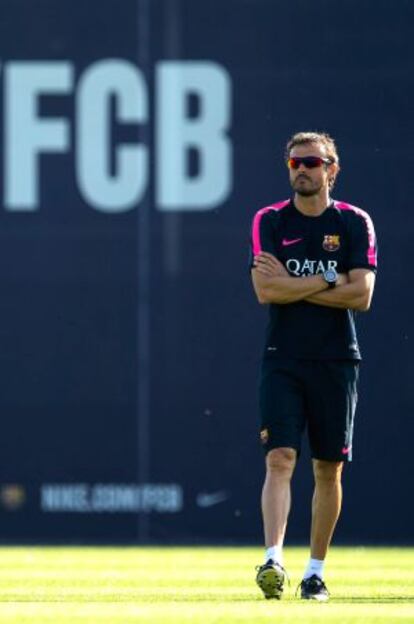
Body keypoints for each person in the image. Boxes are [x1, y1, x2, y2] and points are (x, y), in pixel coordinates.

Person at [250, 131, 377, 601]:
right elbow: (266, 291)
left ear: (332, 170)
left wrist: (296, 281)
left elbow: (362, 295)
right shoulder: (270, 220)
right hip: (283, 356)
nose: (302, 170)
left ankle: (315, 571)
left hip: (336, 358)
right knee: (280, 458)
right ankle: (272, 559)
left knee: (328, 469)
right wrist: (330, 278)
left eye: (311, 162)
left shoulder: (353, 222)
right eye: (294, 163)